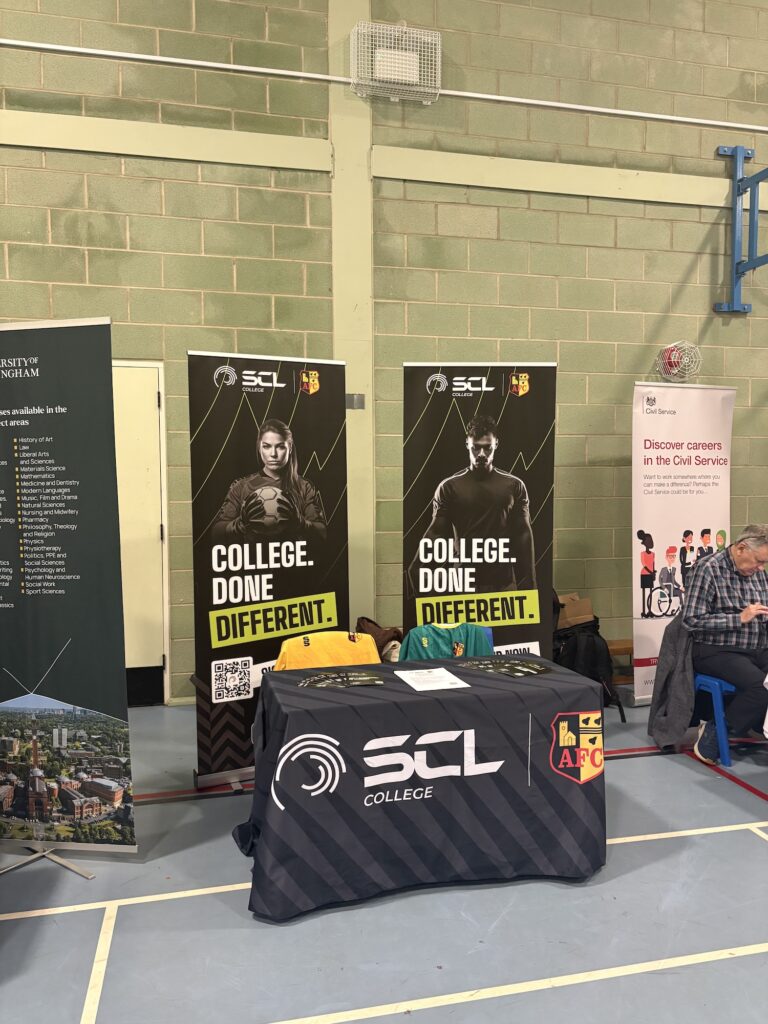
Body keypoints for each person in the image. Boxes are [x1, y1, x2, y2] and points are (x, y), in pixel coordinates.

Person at [409, 414, 535, 594]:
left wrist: (530, 587)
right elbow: (436, 532)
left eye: (487, 448)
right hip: (463, 584)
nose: (481, 454)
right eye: (476, 447)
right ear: (467, 444)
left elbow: (523, 536)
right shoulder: (449, 487)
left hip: (502, 585)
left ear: (496, 444)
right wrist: (415, 571)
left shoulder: (514, 486)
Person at [682, 524, 768, 764]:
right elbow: (691, 620)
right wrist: (738, 618)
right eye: (759, 561)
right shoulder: (708, 568)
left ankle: (757, 723)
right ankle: (717, 729)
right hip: (716, 650)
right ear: (741, 548)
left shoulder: (757, 572)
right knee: (760, 687)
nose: (761, 568)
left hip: (757, 646)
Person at [211, 418, 326, 544]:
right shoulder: (241, 486)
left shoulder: (304, 486)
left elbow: (322, 534)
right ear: (259, 448)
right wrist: (239, 524)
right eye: (266, 446)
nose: (273, 454)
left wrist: (301, 523)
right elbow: (216, 533)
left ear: (290, 448)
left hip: (292, 555)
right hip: (253, 556)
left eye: (280, 447)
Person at [637, 530, 655, 618]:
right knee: (644, 592)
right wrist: (651, 572)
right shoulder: (642, 554)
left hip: (651, 574)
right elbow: (644, 564)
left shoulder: (653, 554)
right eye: (649, 541)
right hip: (644, 574)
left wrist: (653, 572)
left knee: (651, 592)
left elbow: (653, 563)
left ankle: (650, 610)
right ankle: (644, 611)